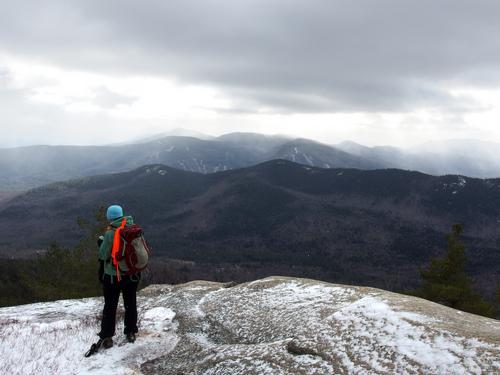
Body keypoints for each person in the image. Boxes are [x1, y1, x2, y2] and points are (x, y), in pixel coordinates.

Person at [96, 204, 140, 349]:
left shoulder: (110, 233)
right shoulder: (132, 228)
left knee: (110, 306)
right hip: (132, 274)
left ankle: (107, 337)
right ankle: (131, 332)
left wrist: (101, 242)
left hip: (113, 276)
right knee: (130, 303)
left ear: (109, 217)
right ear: (122, 215)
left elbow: (103, 255)